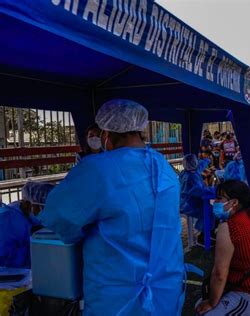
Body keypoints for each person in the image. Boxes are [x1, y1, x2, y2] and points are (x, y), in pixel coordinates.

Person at [39, 99, 185, 315]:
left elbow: (60, 219)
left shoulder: (98, 170)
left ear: (106, 132)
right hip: (165, 288)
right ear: (139, 129)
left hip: (117, 295)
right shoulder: (163, 166)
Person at [195, 180, 250, 315]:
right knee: (199, 305)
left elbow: (220, 273)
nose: (215, 202)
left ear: (234, 202)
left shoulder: (229, 227)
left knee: (203, 311)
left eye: (219, 198)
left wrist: (211, 302)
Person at [0, 181, 54, 268]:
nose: (47, 214)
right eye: (44, 208)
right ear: (28, 205)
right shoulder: (6, 222)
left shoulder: (28, 221)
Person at [180, 153, 215, 235]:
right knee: (208, 211)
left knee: (210, 208)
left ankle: (209, 231)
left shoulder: (186, 172)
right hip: (189, 204)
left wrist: (207, 160)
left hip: (188, 201)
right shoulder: (191, 177)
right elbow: (199, 191)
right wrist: (214, 190)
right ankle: (204, 235)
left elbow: (200, 166)